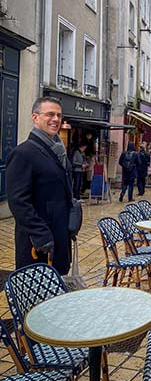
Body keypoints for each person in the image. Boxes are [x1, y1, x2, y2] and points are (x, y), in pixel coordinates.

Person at [7, 97, 76, 274]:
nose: (55, 119)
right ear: (35, 117)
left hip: (59, 236)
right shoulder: (24, 153)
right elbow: (18, 202)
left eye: (59, 115)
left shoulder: (58, 151)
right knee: (38, 294)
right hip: (38, 243)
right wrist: (40, 235)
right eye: (50, 114)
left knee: (56, 291)